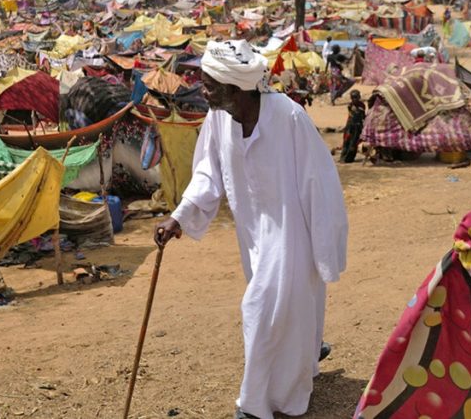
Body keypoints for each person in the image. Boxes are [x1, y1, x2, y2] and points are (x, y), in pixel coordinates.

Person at [155, 40, 349, 419]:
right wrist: (179, 217)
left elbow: (319, 184)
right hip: (252, 235)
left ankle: (254, 406)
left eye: (209, 85)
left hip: (294, 232)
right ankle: (305, 359)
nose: (203, 91)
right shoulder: (217, 120)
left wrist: (325, 247)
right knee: (288, 313)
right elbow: (208, 172)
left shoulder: (288, 117)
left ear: (234, 88)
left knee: (259, 308)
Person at [341, 90, 366, 163]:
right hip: (349, 126)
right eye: (353, 97)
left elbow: (362, 115)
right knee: (346, 142)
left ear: (359, 97)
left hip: (357, 126)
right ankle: (343, 157)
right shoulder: (350, 105)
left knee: (353, 143)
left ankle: (349, 158)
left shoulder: (361, 105)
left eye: (356, 97)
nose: (354, 99)